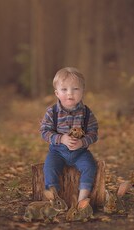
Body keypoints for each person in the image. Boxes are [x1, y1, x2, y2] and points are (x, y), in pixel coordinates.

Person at [40, 67, 98, 202]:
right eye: (64, 89)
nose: (70, 93)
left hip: (80, 152)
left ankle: (82, 198)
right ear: (57, 93)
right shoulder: (52, 112)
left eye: (75, 89)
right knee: (49, 168)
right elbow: (44, 132)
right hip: (57, 152)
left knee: (90, 166)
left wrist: (82, 142)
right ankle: (54, 198)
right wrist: (61, 138)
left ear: (82, 92)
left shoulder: (87, 113)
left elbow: (93, 133)